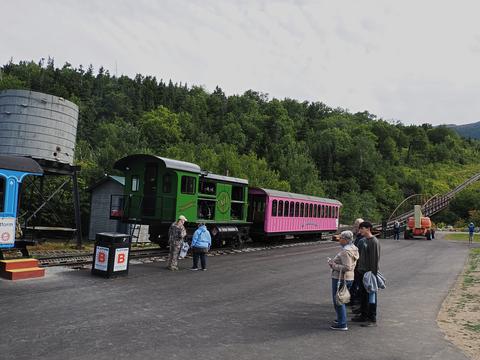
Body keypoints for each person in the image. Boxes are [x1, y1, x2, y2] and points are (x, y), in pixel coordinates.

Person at [328, 230, 359, 331]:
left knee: (339, 300)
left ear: (345, 240)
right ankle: (340, 319)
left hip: (341, 278)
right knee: (342, 299)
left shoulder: (345, 251)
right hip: (349, 277)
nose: (339, 239)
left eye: (341, 238)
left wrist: (333, 265)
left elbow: (347, 267)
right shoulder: (353, 248)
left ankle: (342, 324)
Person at [351, 221, 381, 327]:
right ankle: (363, 315)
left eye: (361, 229)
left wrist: (373, 275)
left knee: (371, 296)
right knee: (363, 295)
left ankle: (372, 319)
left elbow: (374, 260)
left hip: (369, 274)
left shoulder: (374, 242)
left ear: (368, 229)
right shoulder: (364, 240)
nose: (360, 231)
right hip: (361, 272)